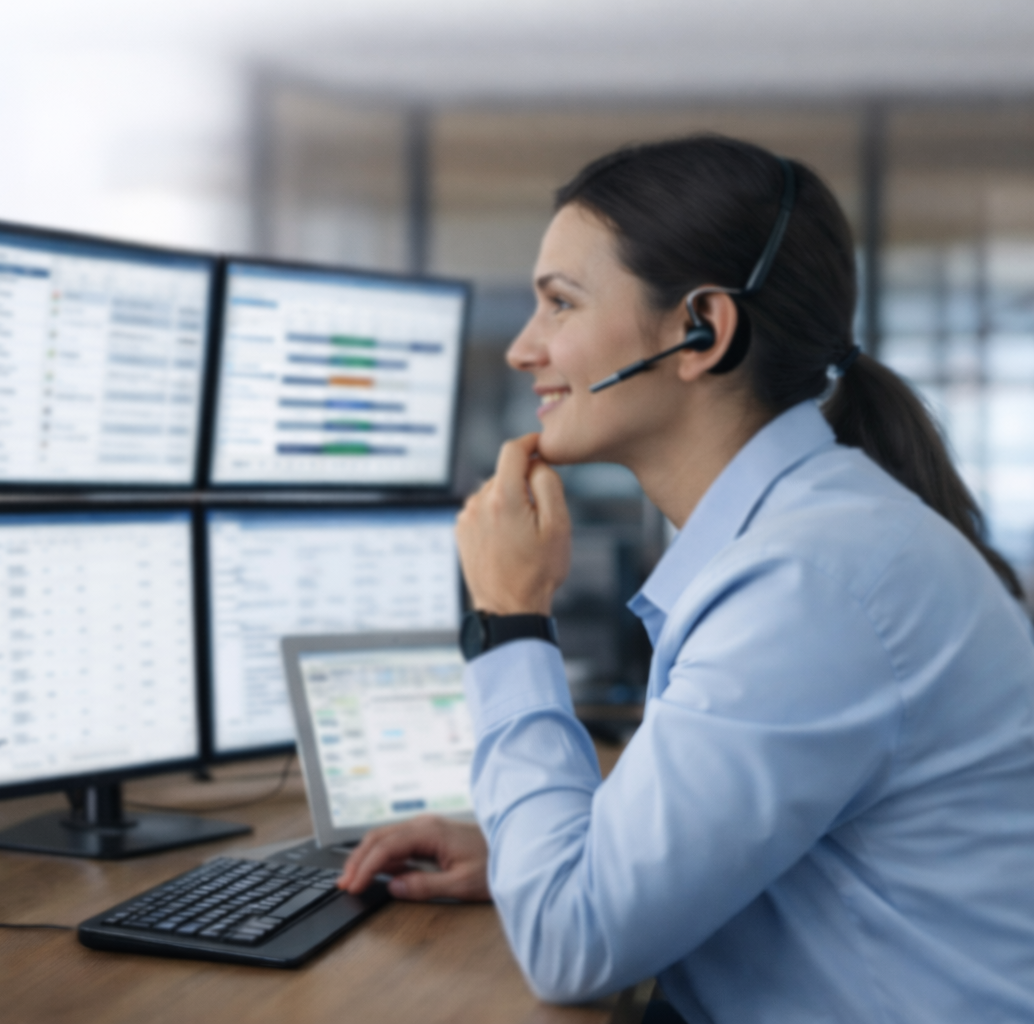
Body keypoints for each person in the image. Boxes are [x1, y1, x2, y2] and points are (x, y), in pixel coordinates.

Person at [337, 135, 1034, 1023]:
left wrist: (510, 618)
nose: (522, 349)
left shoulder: (807, 583)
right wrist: (532, 850)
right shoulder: (808, 533)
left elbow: (570, 944)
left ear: (702, 330)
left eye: (560, 304)